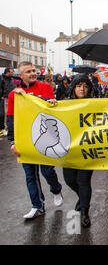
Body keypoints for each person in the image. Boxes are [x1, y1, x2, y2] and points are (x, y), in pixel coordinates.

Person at [7, 61, 64, 220]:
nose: (33, 73)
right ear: (21, 75)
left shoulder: (45, 87)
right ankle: (37, 206)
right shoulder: (14, 95)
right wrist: (12, 142)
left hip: (44, 137)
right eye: (28, 71)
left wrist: (52, 102)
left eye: (33, 70)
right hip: (25, 139)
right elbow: (11, 119)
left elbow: (50, 108)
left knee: (47, 171)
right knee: (30, 175)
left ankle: (56, 189)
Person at [61, 74, 96, 228]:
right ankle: (82, 198)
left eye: (85, 86)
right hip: (69, 151)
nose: (82, 89)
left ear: (89, 89)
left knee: (83, 181)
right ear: (73, 88)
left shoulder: (95, 104)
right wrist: (52, 105)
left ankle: (84, 212)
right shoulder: (64, 104)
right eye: (79, 85)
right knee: (69, 180)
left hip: (88, 150)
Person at [0, 67, 16, 136]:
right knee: (4, 113)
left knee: (10, 113)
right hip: (5, 98)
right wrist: (2, 96)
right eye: (11, 72)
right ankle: (3, 128)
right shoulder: (1, 78)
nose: (12, 73)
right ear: (7, 72)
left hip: (11, 98)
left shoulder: (11, 79)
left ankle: (8, 127)